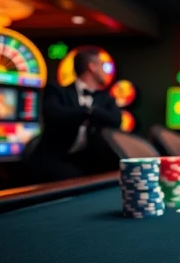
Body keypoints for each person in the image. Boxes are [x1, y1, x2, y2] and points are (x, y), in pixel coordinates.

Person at [30, 49, 122, 182]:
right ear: (92, 67)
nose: (106, 72)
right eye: (103, 66)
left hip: (87, 163)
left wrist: (92, 110)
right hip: (54, 162)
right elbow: (53, 113)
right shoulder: (57, 91)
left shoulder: (106, 99)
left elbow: (116, 120)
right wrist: (86, 111)